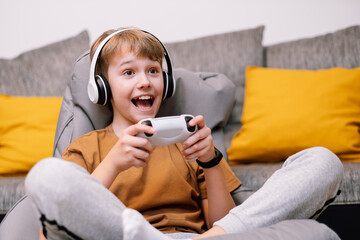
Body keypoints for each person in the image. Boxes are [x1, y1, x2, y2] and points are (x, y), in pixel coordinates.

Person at [25, 27, 343, 240]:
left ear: (168, 82)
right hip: (122, 235)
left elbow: (224, 222)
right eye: (128, 72)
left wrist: (210, 160)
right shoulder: (87, 147)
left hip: (199, 236)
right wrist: (114, 163)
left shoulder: (185, 141)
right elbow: (49, 231)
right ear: (102, 88)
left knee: (324, 162)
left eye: (153, 70)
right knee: (46, 174)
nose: (146, 81)